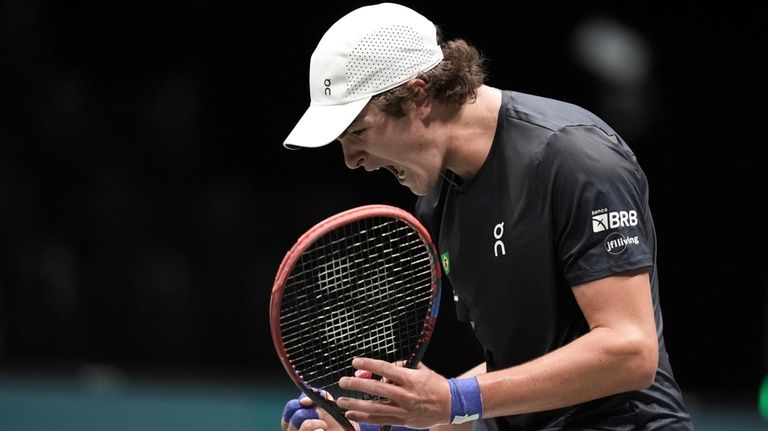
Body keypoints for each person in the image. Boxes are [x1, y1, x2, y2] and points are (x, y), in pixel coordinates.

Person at [279, 2, 694, 430]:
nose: (352, 160)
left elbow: (631, 350)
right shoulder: (439, 200)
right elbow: (513, 373)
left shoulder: (573, 159)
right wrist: (385, 420)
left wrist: (452, 399)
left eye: (358, 132)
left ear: (418, 95)